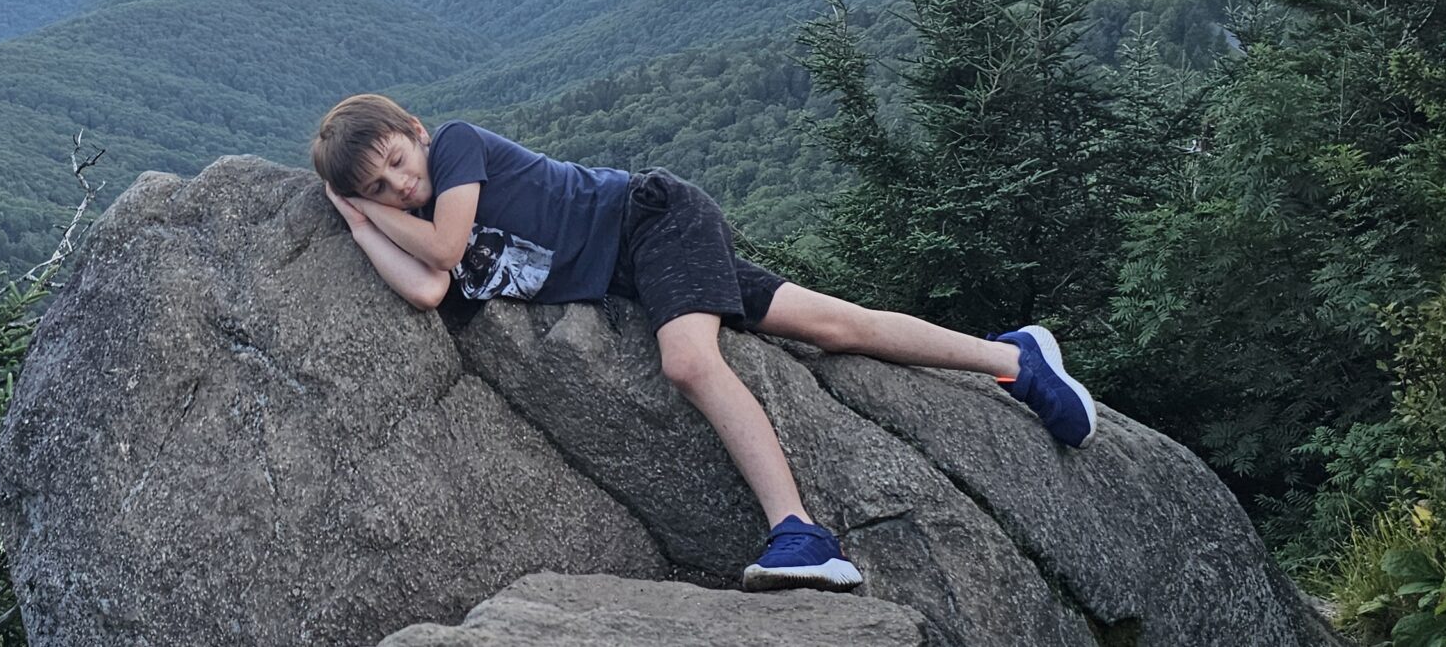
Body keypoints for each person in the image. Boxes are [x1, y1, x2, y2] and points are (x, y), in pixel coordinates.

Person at [308, 93, 1095, 592]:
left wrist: (371, 213)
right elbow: (426, 290)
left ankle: (800, 533)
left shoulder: (456, 144)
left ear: (414, 133)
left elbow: (442, 253)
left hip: (652, 218)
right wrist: (353, 217)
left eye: (398, 166)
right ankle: (1016, 360)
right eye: (378, 188)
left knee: (688, 361)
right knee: (831, 325)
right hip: (634, 275)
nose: (401, 186)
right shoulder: (395, 211)